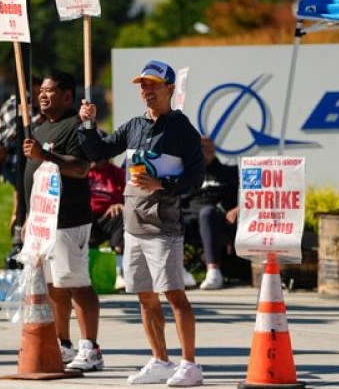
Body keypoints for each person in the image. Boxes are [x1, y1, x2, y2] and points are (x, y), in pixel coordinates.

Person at [78, 59, 206, 387]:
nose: (146, 90)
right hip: (133, 225)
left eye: (153, 84)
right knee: (145, 296)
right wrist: (89, 125)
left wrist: (162, 185)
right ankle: (160, 360)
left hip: (163, 225)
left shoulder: (182, 129)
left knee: (174, 294)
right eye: (143, 85)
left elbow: (196, 177)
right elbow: (100, 150)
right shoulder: (134, 125)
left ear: (169, 89)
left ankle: (190, 364)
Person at [22, 71, 103, 371]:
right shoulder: (39, 128)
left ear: (67, 95)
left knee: (76, 283)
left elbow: (81, 168)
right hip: (43, 221)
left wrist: (46, 156)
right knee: (54, 286)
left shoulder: (76, 128)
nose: (42, 95)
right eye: (40, 91)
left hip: (69, 219)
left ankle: (90, 348)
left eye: (49, 90)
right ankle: (64, 345)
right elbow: (31, 178)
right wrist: (28, 217)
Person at [181, 135, 239, 290]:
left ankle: (214, 273)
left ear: (213, 149)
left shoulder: (229, 172)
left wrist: (239, 209)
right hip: (188, 217)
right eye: (198, 147)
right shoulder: (186, 174)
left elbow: (250, 195)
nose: (202, 150)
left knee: (207, 213)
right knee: (171, 216)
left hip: (216, 218)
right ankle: (178, 271)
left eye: (205, 146)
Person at [0, 76, 42, 255]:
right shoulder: (13, 105)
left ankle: (25, 243)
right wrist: (31, 123)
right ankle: (16, 244)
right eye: (38, 91)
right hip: (16, 167)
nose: (41, 95)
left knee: (31, 208)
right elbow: (6, 138)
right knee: (20, 207)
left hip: (34, 167)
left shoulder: (39, 109)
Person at [87, 157, 126, 289]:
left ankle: (117, 272)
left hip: (108, 217)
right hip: (86, 218)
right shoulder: (82, 171)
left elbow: (129, 198)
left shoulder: (118, 173)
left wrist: (120, 205)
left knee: (123, 214)